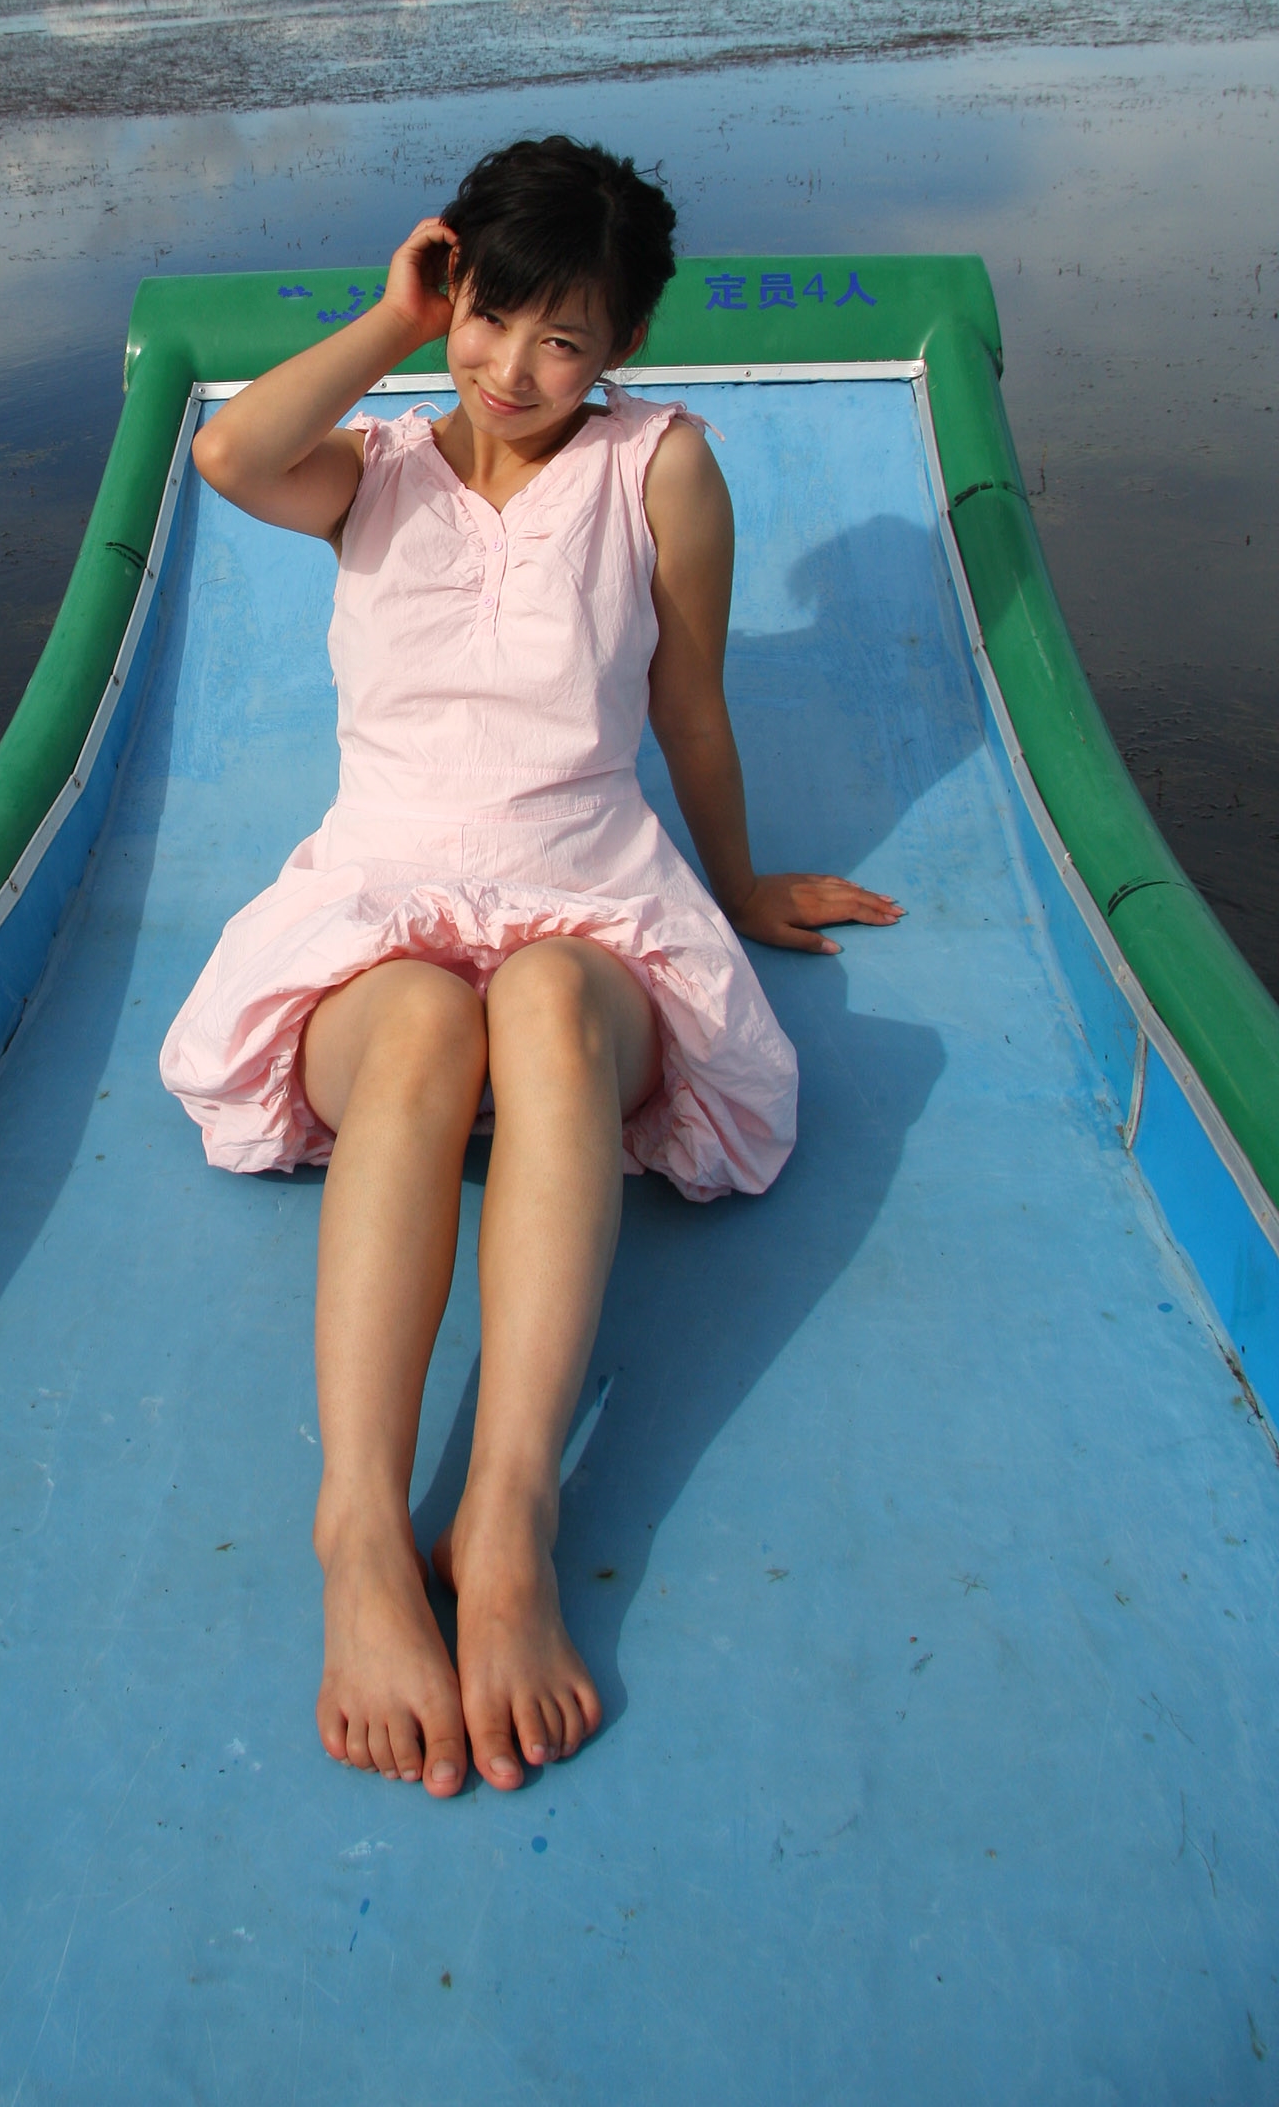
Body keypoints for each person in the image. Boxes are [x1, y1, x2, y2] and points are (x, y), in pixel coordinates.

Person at [159, 135, 901, 1801]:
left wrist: (742, 886)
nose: (510, 368)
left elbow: (689, 711)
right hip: (379, 909)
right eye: (489, 318)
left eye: (564, 339)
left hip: (588, 901)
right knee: (429, 1022)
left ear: (623, 343)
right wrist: (393, 319)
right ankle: (362, 1532)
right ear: (451, 295)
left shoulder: (661, 471)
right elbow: (226, 456)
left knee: (545, 1000)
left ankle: (506, 1522)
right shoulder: (372, 468)